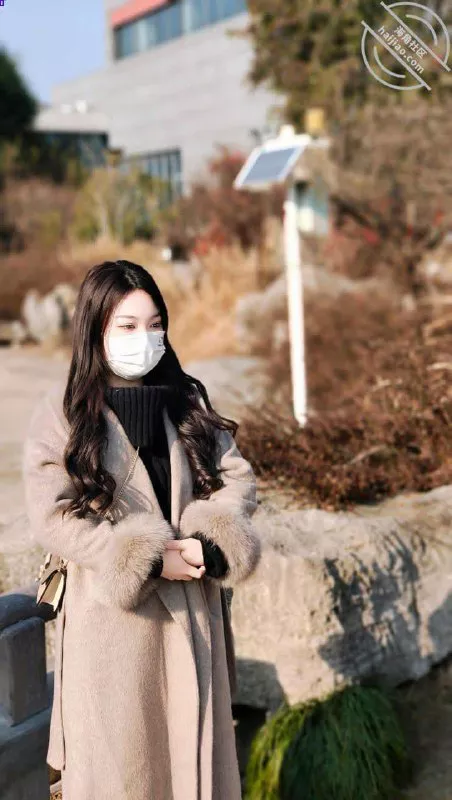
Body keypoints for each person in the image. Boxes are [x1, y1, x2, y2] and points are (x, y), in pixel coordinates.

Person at [22, 260, 261, 800]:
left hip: (194, 623)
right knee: (124, 774)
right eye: (127, 326)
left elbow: (237, 479)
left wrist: (211, 540)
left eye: (155, 325)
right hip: (114, 632)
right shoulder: (63, 414)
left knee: (194, 771)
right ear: (95, 330)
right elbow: (53, 515)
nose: (145, 338)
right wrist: (148, 558)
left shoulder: (187, 401)